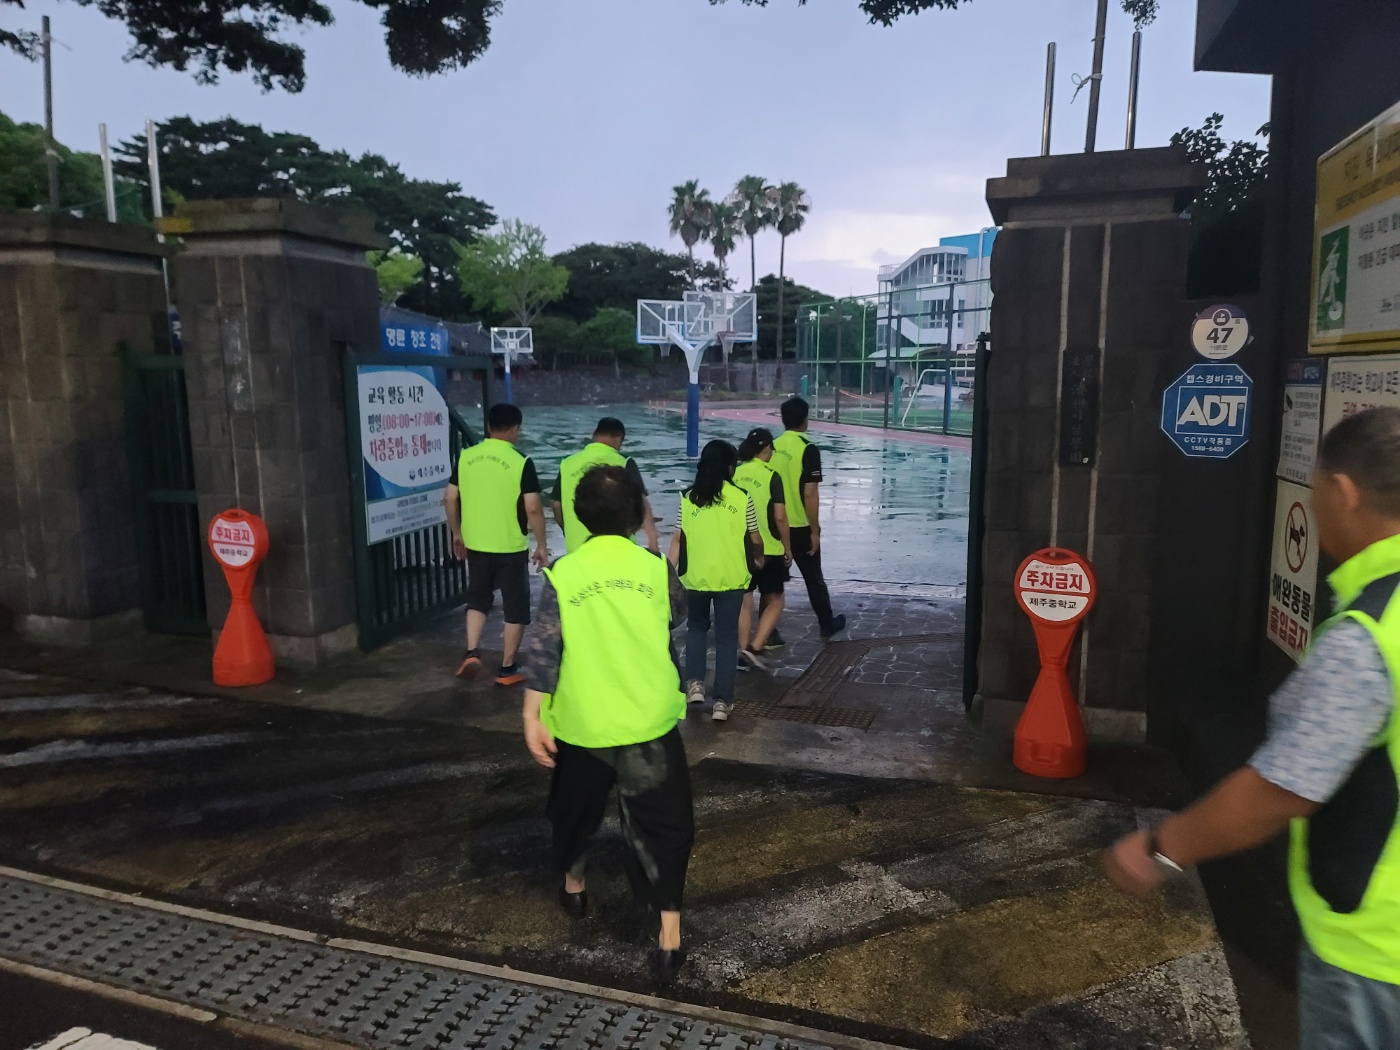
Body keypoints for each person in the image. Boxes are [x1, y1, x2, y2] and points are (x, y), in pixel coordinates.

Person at [1104, 406, 1400, 1050]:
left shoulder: (1370, 635)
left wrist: (1161, 847)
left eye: (1317, 488)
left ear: (1344, 493)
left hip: (1378, 952)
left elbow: (1283, 789)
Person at [520, 466, 693, 986]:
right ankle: (668, 937)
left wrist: (531, 715)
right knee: (663, 826)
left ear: (578, 515)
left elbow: (545, 651)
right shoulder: (656, 569)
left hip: (584, 725)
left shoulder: (563, 575)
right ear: (640, 514)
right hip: (648, 721)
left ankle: (575, 885)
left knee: (575, 812)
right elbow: (677, 616)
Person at [446, 403, 548, 686]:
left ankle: (470, 653)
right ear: (515, 428)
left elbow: (449, 497)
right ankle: (506, 669)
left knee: (478, 598)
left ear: (488, 426)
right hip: (510, 547)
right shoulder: (521, 461)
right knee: (515, 608)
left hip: (476, 544)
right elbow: (533, 509)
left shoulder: (466, 456)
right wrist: (542, 544)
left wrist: (457, 533)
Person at [668, 440, 763, 723]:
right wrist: (759, 560)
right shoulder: (742, 497)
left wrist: (669, 572)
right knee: (726, 638)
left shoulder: (687, 497)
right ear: (730, 466)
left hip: (695, 578)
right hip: (732, 579)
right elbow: (755, 537)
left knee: (696, 630)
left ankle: (695, 685)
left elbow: (677, 539)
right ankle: (722, 703)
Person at [771, 397, 846, 639]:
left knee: (773, 583)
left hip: (774, 525)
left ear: (783, 420)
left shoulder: (770, 447)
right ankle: (826, 623)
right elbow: (810, 493)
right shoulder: (808, 448)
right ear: (805, 419)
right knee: (813, 577)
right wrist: (815, 530)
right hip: (799, 526)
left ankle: (769, 632)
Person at [551, 417, 660, 554]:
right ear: (619, 437)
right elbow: (641, 503)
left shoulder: (567, 463)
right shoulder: (624, 462)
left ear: (594, 434)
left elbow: (556, 505)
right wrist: (653, 540)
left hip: (577, 550)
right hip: (619, 550)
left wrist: (568, 531)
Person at [733, 428, 792, 669]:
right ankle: (755, 647)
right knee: (775, 599)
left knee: (745, 601)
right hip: (769, 548)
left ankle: (742, 648)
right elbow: (779, 517)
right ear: (766, 448)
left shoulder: (735, 473)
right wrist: (788, 547)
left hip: (741, 549)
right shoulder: (771, 476)